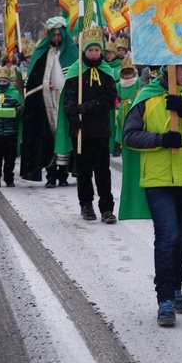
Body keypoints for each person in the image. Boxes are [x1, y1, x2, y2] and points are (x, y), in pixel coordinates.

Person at [120, 64, 182, 327]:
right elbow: (129, 136)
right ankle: (164, 299)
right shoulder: (147, 97)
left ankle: (176, 289)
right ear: (167, 69)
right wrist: (161, 140)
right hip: (158, 179)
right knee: (167, 236)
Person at [63, 26, 118, 223]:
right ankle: (86, 204)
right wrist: (73, 118)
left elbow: (110, 99)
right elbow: (68, 101)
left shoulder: (106, 72)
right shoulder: (74, 72)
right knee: (84, 171)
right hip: (81, 130)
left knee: (103, 171)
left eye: (96, 50)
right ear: (84, 51)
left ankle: (107, 208)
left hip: (100, 128)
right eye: (90, 50)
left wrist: (88, 107)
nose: (93, 54)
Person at [20, 16, 78, 186]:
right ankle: (51, 175)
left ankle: (64, 174)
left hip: (67, 101)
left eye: (60, 35)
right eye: (54, 35)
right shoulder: (42, 52)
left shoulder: (72, 52)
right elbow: (33, 82)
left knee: (66, 136)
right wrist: (44, 85)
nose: (57, 38)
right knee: (48, 137)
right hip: (48, 102)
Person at [114, 58, 141, 156]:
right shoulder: (119, 85)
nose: (128, 76)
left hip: (134, 106)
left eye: (129, 74)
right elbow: (116, 96)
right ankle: (120, 145)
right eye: (125, 74)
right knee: (122, 126)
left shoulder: (137, 81)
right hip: (123, 108)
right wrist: (117, 104)